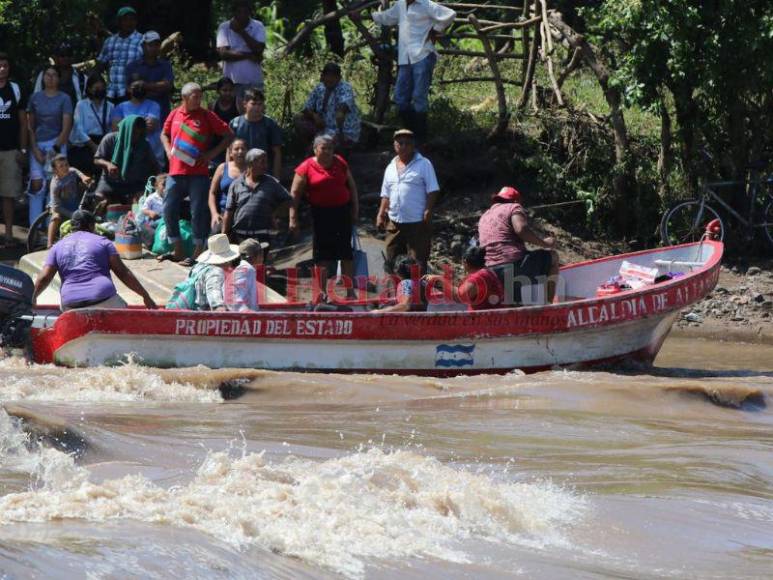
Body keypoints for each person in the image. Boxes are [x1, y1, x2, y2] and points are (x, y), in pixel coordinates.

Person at [161, 82, 234, 265]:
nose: (199, 99)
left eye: (200, 96)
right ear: (185, 98)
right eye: (196, 96)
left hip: (198, 172)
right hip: (176, 171)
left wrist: (211, 154)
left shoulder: (207, 115)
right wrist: (169, 151)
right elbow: (164, 134)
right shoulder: (175, 113)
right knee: (169, 207)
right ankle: (177, 248)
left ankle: (197, 252)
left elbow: (228, 135)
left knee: (198, 211)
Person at [367, 0, 456, 142]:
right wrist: (370, 16)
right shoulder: (400, 5)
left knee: (419, 96)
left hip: (422, 53)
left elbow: (450, 14)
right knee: (400, 97)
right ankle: (411, 133)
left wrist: (435, 30)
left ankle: (420, 138)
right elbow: (387, 17)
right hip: (405, 56)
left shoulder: (427, 4)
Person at [32, 209, 157, 310]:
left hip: (71, 303)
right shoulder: (104, 242)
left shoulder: (57, 247)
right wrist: (145, 296)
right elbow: (123, 273)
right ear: (92, 226)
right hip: (103, 299)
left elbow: (44, 278)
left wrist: (32, 298)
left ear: (72, 226)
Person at [289, 135, 359, 296]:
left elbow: (352, 187)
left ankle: (350, 292)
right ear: (315, 149)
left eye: (330, 148)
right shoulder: (306, 167)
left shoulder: (340, 162)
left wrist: (355, 210)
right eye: (323, 148)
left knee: (346, 253)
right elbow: (295, 194)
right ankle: (321, 293)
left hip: (342, 213)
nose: (328, 151)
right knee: (322, 257)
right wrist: (293, 218)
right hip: (320, 215)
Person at [477, 186, 560, 304]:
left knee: (514, 296)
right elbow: (521, 230)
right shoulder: (513, 207)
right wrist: (545, 243)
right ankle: (550, 303)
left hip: (491, 270)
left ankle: (516, 310)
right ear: (516, 200)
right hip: (513, 264)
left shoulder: (484, 216)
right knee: (553, 257)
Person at [376, 128, 439, 271]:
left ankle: (418, 292)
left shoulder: (424, 164)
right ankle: (395, 290)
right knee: (392, 260)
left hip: (417, 222)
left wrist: (428, 210)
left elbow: (433, 189)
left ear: (413, 145)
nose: (403, 146)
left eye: (407, 143)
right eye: (400, 143)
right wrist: (380, 214)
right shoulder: (390, 167)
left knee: (417, 262)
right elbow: (386, 194)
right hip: (394, 222)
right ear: (394, 145)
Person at [27, 65, 74, 212]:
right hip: (37, 144)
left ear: (59, 78)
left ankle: (51, 225)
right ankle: (34, 226)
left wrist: (53, 150)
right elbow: (30, 126)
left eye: (54, 75)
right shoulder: (34, 98)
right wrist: (34, 149)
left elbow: (66, 127)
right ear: (43, 77)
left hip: (57, 144)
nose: (51, 78)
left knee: (55, 184)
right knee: (36, 184)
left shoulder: (65, 98)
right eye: (47, 75)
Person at [223, 148, 291, 247]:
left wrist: (275, 214)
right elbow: (229, 211)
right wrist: (224, 236)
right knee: (244, 262)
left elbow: (288, 200)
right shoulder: (236, 184)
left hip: (263, 234)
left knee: (260, 261)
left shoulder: (271, 182)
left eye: (266, 162)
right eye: (262, 162)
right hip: (240, 235)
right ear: (251, 163)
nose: (265, 166)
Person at [93, 115, 159, 205]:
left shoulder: (144, 144)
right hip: (110, 182)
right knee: (99, 198)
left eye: (138, 133)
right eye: (133, 133)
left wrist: (158, 182)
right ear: (126, 130)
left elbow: (154, 166)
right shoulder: (110, 139)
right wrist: (108, 165)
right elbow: (97, 159)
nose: (135, 137)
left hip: (134, 184)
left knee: (140, 202)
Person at [297, 62, 361, 150]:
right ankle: (311, 148)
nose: (330, 79)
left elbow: (343, 107)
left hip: (343, 131)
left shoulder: (345, 88)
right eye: (327, 76)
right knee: (299, 119)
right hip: (324, 127)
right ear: (322, 76)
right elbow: (306, 108)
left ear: (339, 78)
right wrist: (315, 116)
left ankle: (338, 147)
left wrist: (340, 113)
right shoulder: (319, 88)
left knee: (325, 147)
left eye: (333, 76)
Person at [216, 0, 267, 110]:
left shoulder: (258, 26)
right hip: (232, 83)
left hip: (254, 81)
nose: (242, 15)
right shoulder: (224, 27)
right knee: (234, 117)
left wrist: (241, 31)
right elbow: (224, 54)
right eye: (239, 12)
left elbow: (258, 49)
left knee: (256, 113)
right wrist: (249, 55)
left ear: (250, 12)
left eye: (245, 12)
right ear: (233, 12)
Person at [0, 52, 28, 248]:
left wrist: (23, 149)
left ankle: (9, 235)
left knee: (8, 195)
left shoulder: (15, 89)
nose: (2, 69)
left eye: (5, 65)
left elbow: (23, 122)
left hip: (10, 150)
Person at [424, 246, 504, 311]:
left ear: (465, 262)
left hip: (487, 322)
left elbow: (460, 296)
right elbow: (459, 289)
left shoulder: (480, 276)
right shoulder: (484, 272)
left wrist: (439, 281)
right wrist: (438, 283)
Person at [94, 6, 144, 103]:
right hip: (111, 93)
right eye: (125, 19)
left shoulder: (142, 40)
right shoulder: (110, 41)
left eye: (132, 19)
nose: (129, 23)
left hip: (131, 93)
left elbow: (147, 66)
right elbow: (100, 64)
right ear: (119, 22)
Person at [229, 89, 282, 178]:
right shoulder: (235, 123)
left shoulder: (270, 124)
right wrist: (229, 173)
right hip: (240, 173)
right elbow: (229, 150)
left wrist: (276, 178)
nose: (257, 107)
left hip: (263, 173)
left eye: (260, 104)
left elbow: (277, 152)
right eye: (253, 104)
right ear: (245, 104)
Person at [69, 74, 114, 175]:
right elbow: (79, 129)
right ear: (89, 89)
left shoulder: (110, 106)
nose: (100, 90)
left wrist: (103, 146)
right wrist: (93, 146)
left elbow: (112, 128)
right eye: (96, 88)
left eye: (102, 88)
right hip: (84, 144)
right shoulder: (81, 105)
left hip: (103, 142)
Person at [111, 80, 164, 165]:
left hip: (152, 156)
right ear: (129, 89)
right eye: (136, 87)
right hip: (127, 155)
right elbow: (115, 129)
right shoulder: (120, 107)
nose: (139, 89)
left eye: (142, 87)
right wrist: (141, 124)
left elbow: (151, 126)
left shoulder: (154, 105)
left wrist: (126, 125)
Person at [125, 31, 175, 122]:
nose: (154, 48)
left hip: (161, 112)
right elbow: (128, 89)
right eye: (150, 45)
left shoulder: (166, 65)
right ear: (143, 46)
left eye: (156, 45)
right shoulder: (132, 66)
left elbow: (168, 85)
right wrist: (156, 87)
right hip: (138, 112)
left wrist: (144, 86)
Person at [47, 154, 92, 248]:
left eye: (66, 164)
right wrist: (72, 215)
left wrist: (83, 177)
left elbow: (75, 170)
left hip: (74, 202)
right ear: (55, 170)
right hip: (59, 206)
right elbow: (56, 206)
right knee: (56, 217)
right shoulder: (55, 185)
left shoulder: (71, 172)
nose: (65, 167)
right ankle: (49, 243)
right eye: (61, 166)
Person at [191, 233, 241, 311]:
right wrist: (219, 307)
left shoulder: (197, 267)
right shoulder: (216, 272)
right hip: (204, 315)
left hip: (193, 309)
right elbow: (214, 293)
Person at [209, 138, 247, 234]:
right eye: (236, 149)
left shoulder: (252, 169)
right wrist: (214, 213)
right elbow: (212, 193)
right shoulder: (222, 168)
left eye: (243, 149)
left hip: (246, 214)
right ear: (230, 153)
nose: (240, 151)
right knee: (216, 237)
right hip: (223, 213)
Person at [33, 42, 85, 107]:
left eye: (69, 55)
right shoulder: (44, 75)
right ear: (55, 57)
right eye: (62, 55)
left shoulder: (81, 78)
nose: (66, 58)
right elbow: (36, 99)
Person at [223, 237, 268, 311]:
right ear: (251, 256)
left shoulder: (243, 269)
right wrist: (245, 312)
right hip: (245, 318)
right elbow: (233, 294)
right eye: (260, 251)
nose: (262, 254)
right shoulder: (247, 270)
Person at [137, 173, 166, 245]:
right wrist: (150, 212)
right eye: (163, 185)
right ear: (156, 186)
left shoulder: (170, 197)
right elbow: (143, 209)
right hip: (154, 220)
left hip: (165, 220)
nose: (166, 187)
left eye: (168, 185)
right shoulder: (152, 198)